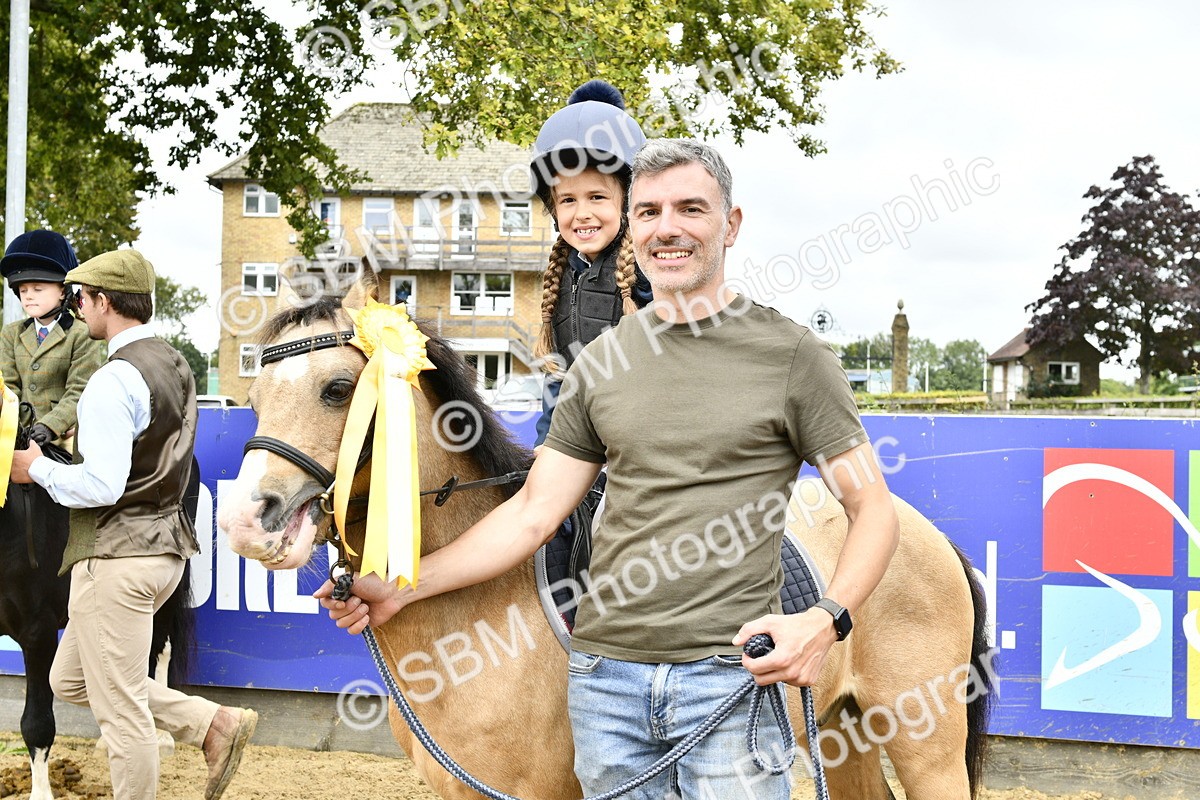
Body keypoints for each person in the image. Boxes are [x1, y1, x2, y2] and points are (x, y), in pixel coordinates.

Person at [318, 140, 900, 799]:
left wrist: (826, 619)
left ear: (731, 224)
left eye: (690, 208)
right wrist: (402, 588)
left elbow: (872, 508)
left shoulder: (794, 356)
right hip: (607, 686)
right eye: (648, 212)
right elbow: (534, 512)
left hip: (729, 678)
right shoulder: (599, 365)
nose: (667, 228)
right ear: (633, 228)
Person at [9, 249, 257, 800]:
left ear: (104, 301)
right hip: (164, 552)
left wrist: (37, 469)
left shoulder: (111, 379)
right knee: (69, 679)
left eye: (82, 298)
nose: (77, 308)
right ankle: (209, 722)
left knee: (122, 717)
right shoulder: (174, 363)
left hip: (117, 558)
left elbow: (102, 485)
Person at [528, 79, 653, 448]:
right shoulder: (563, 277)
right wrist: (545, 445)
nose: (582, 213)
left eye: (597, 196)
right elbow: (559, 380)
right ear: (554, 209)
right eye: (568, 200)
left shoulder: (648, 269)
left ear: (627, 201)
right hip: (581, 445)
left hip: (640, 442)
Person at [0, 230, 106, 448]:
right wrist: (16, 428)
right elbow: (9, 387)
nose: (29, 296)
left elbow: (79, 390)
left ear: (62, 292)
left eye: (38, 289)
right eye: (23, 290)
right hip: (17, 434)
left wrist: (49, 426)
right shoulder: (10, 333)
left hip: (62, 434)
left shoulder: (82, 334)